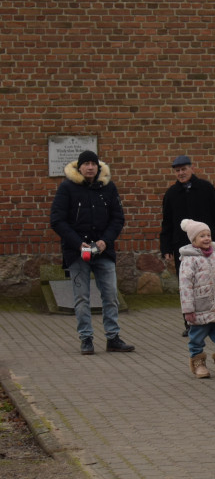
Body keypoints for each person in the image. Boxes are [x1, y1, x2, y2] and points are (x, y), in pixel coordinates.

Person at [49, 150, 134, 355]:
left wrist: (105, 241)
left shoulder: (108, 187)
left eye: (93, 164)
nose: (89, 167)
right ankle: (86, 338)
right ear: (79, 167)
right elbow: (57, 220)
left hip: (103, 252)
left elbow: (118, 218)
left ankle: (113, 337)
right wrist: (79, 244)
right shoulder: (67, 188)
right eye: (85, 164)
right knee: (81, 298)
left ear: (98, 167)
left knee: (111, 295)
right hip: (77, 253)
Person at [159, 155, 215, 335]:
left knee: (209, 283)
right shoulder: (171, 194)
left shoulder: (205, 189)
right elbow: (167, 223)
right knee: (188, 286)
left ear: (191, 168)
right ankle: (190, 323)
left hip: (207, 245)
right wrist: (166, 248)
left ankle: (212, 320)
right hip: (183, 248)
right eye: (177, 171)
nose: (181, 173)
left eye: (184, 169)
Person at [177, 219, 215, 378]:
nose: (207, 238)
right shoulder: (189, 259)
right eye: (202, 235)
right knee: (196, 338)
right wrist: (188, 309)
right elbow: (185, 286)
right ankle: (199, 365)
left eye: (208, 234)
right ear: (193, 240)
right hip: (199, 308)